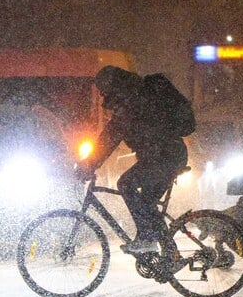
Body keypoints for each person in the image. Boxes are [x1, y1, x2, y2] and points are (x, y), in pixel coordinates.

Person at [76, 65, 190, 254]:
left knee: (126, 183)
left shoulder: (130, 102)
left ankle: (147, 239)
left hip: (164, 157)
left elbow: (110, 138)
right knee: (147, 205)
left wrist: (89, 165)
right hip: (168, 155)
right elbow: (111, 135)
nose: (103, 95)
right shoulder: (134, 97)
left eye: (104, 90)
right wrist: (91, 163)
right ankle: (171, 255)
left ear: (112, 86)